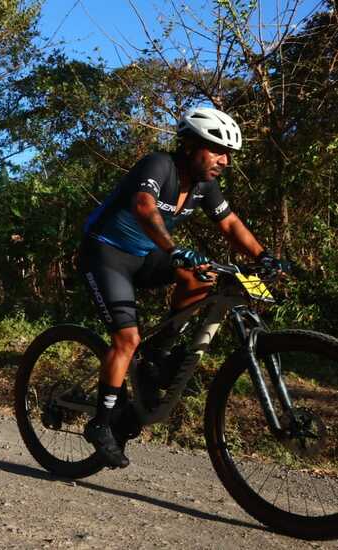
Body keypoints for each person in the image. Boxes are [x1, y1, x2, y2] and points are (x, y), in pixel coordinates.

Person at [77, 107, 284, 468]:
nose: (224, 161)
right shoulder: (159, 165)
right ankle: (101, 423)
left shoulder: (204, 187)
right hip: (106, 254)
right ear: (190, 146)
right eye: (217, 151)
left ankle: (157, 354)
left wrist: (265, 256)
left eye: (227, 154)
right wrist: (174, 250)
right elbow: (144, 206)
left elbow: (230, 224)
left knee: (203, 276)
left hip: (145, 256)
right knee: (126, 338)